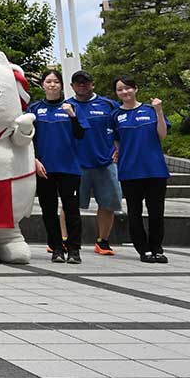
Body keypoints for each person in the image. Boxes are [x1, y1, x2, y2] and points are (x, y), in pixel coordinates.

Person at [29, 69, 87, 264]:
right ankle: (56, 248)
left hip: (69, 168)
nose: (52, 85)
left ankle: (74, 249)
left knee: (71, 210)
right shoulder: (35, 109)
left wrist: (72, 116)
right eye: (48, 81)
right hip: (44, 169)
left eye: (56, 82)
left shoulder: (72, 107)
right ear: (43, 85)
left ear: (62, 86)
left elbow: (81, 135)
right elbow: (29, 139)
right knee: (48, 210)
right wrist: (35, 160)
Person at [112, 75, 171, 264]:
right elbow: (116, 140)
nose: (124, 92)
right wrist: (118, 152)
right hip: (130, 171)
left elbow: (162, 134)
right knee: (134, 212)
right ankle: (143, 249)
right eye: (120, 89)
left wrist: (159, 111)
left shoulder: (150, 110)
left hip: (155, 170)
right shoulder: (115, 115)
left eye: (128, 88)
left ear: (136, 89)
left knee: (156, 212)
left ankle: (157, 248)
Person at [67, 70, 122, 255]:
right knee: (69, 205)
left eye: (85, 82)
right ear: (72, 86)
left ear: (93, 84)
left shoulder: (109, 105)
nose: (82, 85)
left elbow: (121, 128)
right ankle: (65, 240)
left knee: (108, 204)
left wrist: (118, 148)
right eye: (78, 82)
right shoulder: (66, 106)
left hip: (105, 162)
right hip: (75, 164)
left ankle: (102, 241)